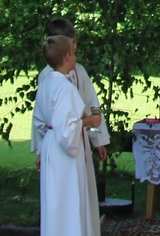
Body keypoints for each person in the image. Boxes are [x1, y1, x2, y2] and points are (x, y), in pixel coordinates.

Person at [30, 18, 110, 213]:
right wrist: (41, 149)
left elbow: (91, 103)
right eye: (71, 43)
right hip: (60, 141)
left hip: (77, 141)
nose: (74, 47)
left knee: (80, 194)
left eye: (74, 42)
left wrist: (98, 139)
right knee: (62, 196)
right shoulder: (47, 77)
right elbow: (41, 116)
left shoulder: (79, 72)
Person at [35, 35, 101, 235]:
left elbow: (41, 119)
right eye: (73, 53)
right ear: (66, 56)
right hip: (63, 151)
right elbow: (67, 130)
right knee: (68, 200)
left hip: (50, 145)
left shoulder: (46, 84)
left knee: (55, 201)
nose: (75, 57)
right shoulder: (66, 89)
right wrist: (91, 121)